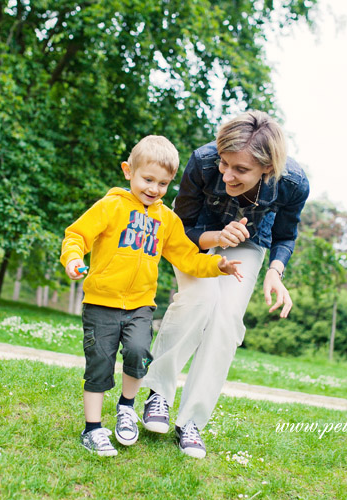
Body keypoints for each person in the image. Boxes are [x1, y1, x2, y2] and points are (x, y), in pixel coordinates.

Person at [60, 135, 243, 457]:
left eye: (163, 183)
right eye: (148, 179)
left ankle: (127, 408)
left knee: (138, 352)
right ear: (128, 170)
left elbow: (187, 258)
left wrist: (218, 264)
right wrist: (74, 259)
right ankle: (92, 430)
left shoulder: (167, 221)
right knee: (100, 363)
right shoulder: (111, 206)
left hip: (140, 305)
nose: (154, 189)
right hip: (101, 302)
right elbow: (77, 235)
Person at [141, 110, 309, 459]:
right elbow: (181, 229)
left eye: (241, 170)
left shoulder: (293, 183)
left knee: (227, 317)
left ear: (268, 168)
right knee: (200, 298)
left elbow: (285, 234)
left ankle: (192, 422)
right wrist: (216, 236)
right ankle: (158, 393)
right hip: (196, 235)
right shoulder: (203, 162)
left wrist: (275, 272)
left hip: (249, 243)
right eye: (225, 163)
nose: (227, 174)